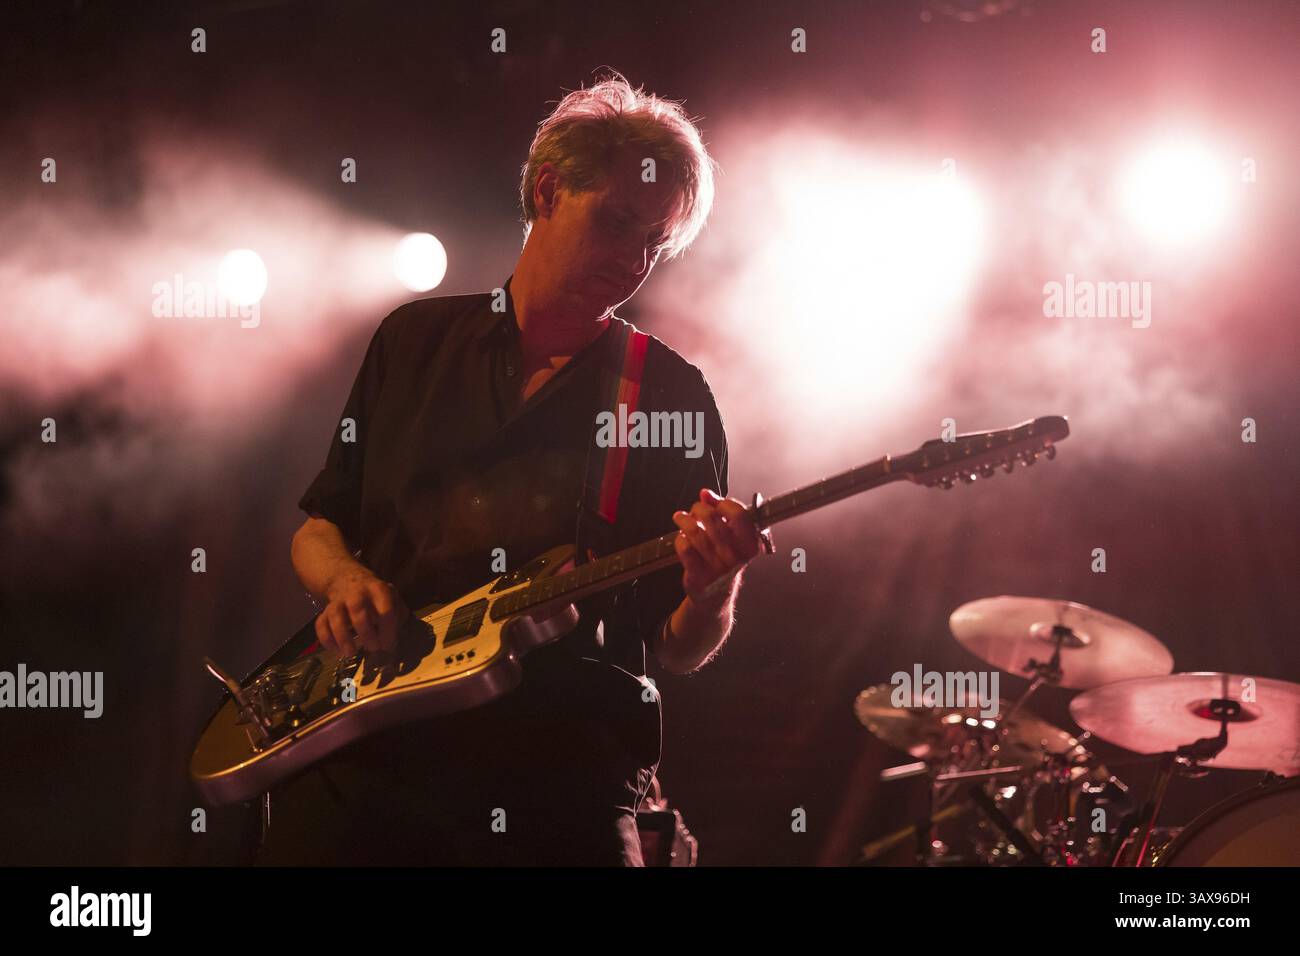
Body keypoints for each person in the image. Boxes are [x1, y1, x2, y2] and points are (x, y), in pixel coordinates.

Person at [254, 71, 769, 866]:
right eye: (621, 221)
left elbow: (679, 646)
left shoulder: (668, 393)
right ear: (550, 188)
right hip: (365, 762)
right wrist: (344, 583)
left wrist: (716, 585)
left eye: (654, 242)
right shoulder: (411, 339)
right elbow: (322, 527)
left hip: (555, 786)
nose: (635, 258)